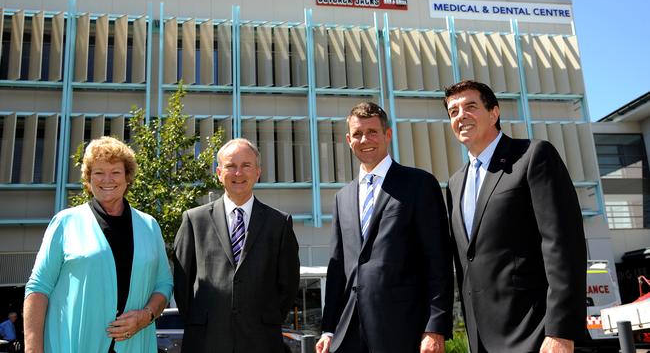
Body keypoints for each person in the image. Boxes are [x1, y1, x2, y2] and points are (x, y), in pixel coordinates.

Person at [444, 80, 586, 353]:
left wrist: (561, 330)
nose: (460, 116)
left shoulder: (533, 156)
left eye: (470, 106)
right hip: (482, 340)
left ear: (494, 113)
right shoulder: (454, 183)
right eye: (453, 112)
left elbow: (564, 246)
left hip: (536, 333)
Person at [316, 102, 453, 353]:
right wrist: (328, 329)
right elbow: (337, 268)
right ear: (349, 140)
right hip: (349, 334)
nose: (364, 139)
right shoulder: (342, 197)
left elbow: (438, 259)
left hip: (403, 329)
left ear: (387, 135)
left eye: (372, 132)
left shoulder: (419, 184)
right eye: (357, 134)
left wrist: (435, 327)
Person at [23, 136, 173, 353]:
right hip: (72, 345)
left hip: (135, 346)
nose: (107, 180)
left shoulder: (149, 226)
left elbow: (164, 284)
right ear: (88, 178)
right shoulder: (66, 222)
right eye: (99, 173)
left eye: (115, 172)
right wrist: (32, 350)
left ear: (128, 177)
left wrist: (146, 315)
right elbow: (38, 288)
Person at [173, 138, 300, 353]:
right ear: (219, 172)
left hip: (261, 342)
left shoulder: (279, 224)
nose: (238, 173)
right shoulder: (194, 221)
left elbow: (287, 285)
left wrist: (264, 319)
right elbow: (182, 283)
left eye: (246, 166)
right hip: (205, 342)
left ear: (258, 172)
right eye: (231, 166)